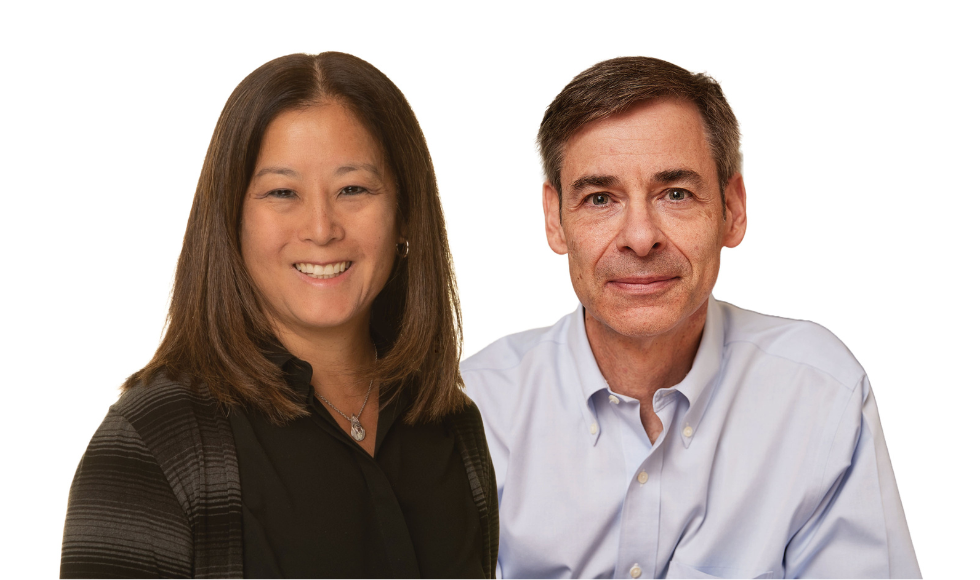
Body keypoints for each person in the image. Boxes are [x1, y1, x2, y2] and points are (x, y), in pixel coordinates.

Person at [461, 56, 918, 579]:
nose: (640, 237)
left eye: (675, 194)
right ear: (555, 219)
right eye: (600, 198)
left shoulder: (819, 397)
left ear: (732, 208)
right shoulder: (476, 410)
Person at [61, 52, 497, 578]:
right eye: (282, 192)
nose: (320, 227)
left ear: (404, 214)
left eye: (353, 189)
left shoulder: (454, 428)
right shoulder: (152, 445)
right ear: (231, 220)